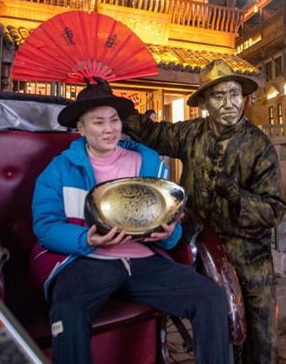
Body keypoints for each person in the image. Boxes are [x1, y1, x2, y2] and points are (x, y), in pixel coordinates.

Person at [29, 77, 231, 364]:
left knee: (210, 298)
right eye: (98, 122)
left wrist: (169, 233)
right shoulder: (60, 168)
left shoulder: (147, 163)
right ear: (81, 128)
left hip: (145, 262)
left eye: (114, 120)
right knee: (69, 308)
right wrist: (86, 239)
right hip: (87, 261)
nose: (109, 129)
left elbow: (170, 217)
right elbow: (46, 226)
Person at [124, 59, 286, 364]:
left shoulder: (259, 147)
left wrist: (237, 196)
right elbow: (154, 134)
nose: (229, 103)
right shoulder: (192, 133)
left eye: (235, 94)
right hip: (199, 250)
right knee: (213, 328)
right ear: (204, 103)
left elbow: (274, 210)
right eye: (218, 96)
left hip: (249, 257)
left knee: (261, 337)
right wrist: (119, 111)